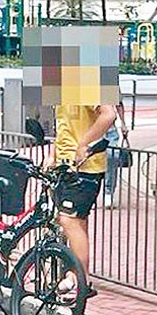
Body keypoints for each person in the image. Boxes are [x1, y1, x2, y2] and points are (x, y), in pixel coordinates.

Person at [47, 104, 116, 297]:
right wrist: (53, 155)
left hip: (84, 168)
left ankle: (80, 279)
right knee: (76, 221)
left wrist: (83, 145)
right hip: (67, 165)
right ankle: (74, 274)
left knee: (70, 221)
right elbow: (63, 126)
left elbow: (109, 114)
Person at [103, 97, 129, 209]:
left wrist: (123, 123)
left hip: (109, 130)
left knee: (111, 158)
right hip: (89, 129)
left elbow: (118, 102)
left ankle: (108, 192)